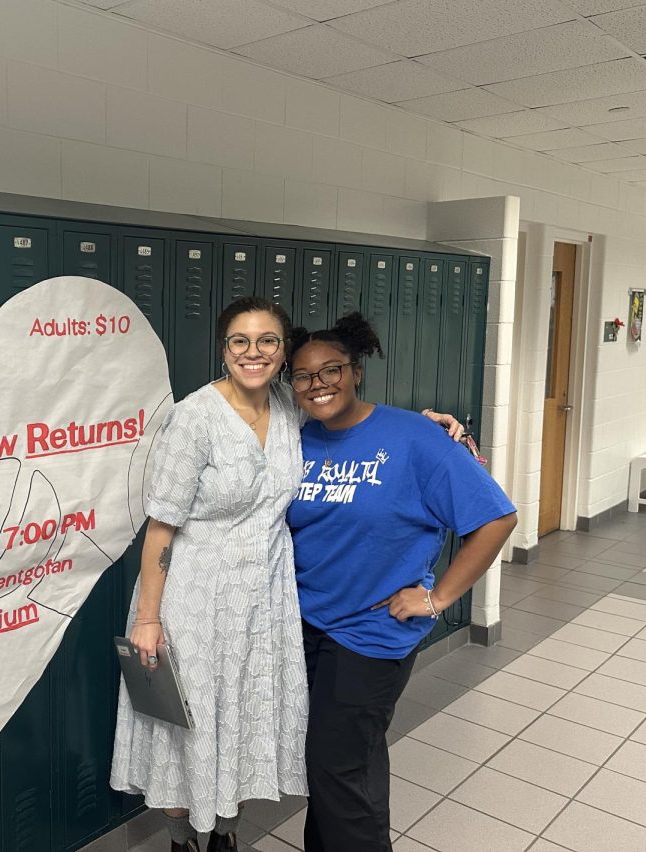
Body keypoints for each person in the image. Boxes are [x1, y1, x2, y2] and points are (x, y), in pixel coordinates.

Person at [110, 297, 462, 852]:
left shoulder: (288, 404)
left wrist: (426, 427)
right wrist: (149, 618)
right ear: (223, 350)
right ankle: (181, 837)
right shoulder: (194, 417)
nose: (254, 352)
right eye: (240, 342)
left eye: (267, 341)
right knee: (183, 730)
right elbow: (160, 529)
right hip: (195, 599)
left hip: (269, 599)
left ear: (282, 352)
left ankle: (226, 834)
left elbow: (345, 411)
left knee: (245, 721)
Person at [285, 312, 517, 852]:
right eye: (303, 375)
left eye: (331, 370)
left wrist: (438, 598)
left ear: (357, 371)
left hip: (370, 632)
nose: (318, 384)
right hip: (307, 624)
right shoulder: (298, 442)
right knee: (346, 763)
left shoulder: (414, 437)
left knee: (334, 765)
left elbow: (495, 518)